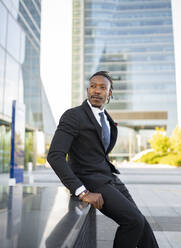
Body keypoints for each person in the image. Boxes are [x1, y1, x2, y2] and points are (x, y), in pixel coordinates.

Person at [47, 71, 159, 248]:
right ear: (87, 89)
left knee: (142, 223)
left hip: (110, 178)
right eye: (93, 86)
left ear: (109, 93)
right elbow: (55, 155)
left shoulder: (106, 118)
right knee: (133, 221)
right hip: (91, 182)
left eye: (102, 87)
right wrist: (82, 191)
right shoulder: (73, 116)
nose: (96, 91)